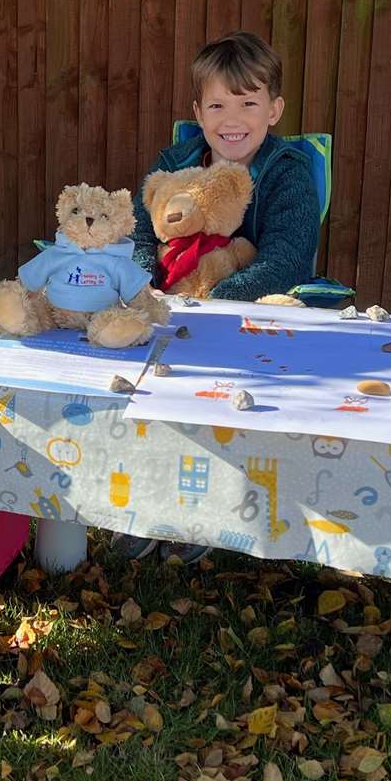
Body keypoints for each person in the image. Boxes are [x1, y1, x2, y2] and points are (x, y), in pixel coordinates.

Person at [116, 31, 320, 565]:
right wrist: (147, 285)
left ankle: (201, 516)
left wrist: (216, 298)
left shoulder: (288, 171)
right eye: (217, 105)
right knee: (150, 398)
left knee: (220, 411)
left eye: (248, 103)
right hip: (170, 305)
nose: (233, 119)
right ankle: (145, 501)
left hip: (247, 313)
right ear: (198, 112)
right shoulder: (176, 160)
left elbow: (288, 257)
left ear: (273, 110)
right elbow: (142, 232)